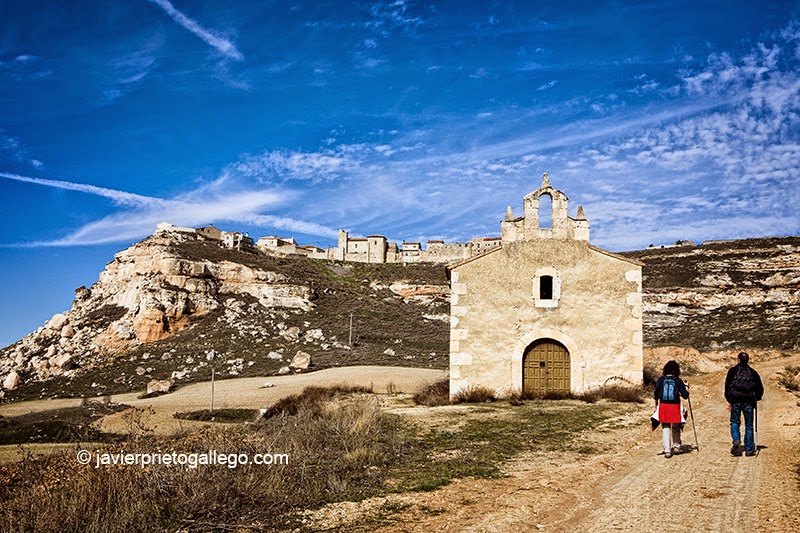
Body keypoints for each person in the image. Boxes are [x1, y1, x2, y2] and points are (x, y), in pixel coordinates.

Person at [724, 351, 764, 457]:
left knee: (734, 422)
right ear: (748, 360)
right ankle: (749, 450)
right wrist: (756, 399)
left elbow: (727, 386)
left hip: (735, 401)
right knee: (749, 425)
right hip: (748, 402)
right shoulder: (753, 372)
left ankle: (736, 440)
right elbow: (760, 389)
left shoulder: (732, 371)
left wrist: (729, 399)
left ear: (738, 360)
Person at [653, 360, 690, 458]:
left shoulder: (661, 380)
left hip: (664, 406)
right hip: (675, 406)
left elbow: (656, 393)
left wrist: (656, 404)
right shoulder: (678, 381)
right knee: (676, 426)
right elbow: (685, 396)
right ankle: (677, 446)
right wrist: (686, 387)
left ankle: (667, 450)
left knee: (665, 427)